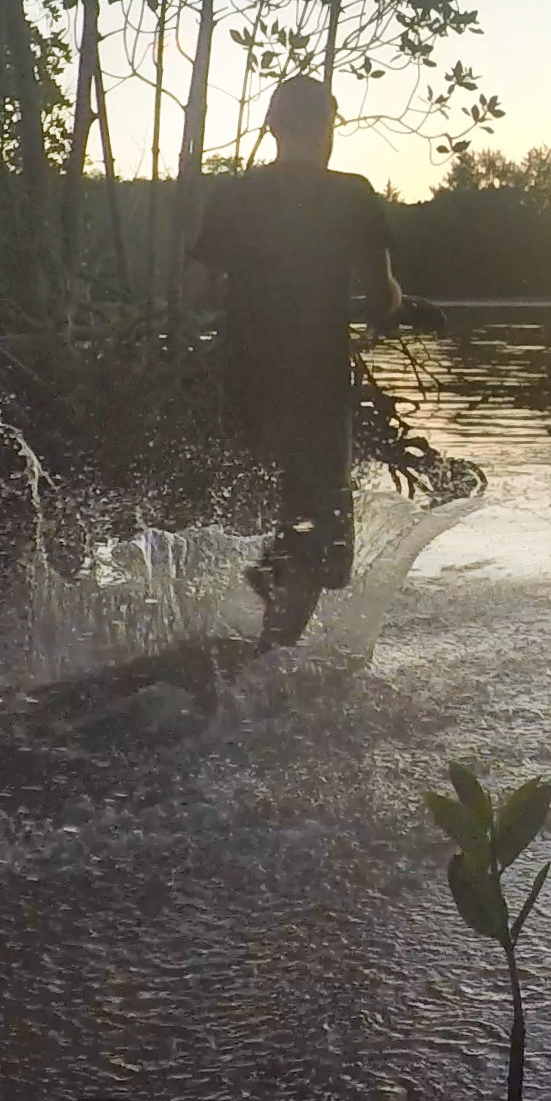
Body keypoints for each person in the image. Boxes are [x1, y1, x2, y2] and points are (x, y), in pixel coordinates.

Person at [183, 77, 409, 676]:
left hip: (244, 375)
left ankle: (269, 582)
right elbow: (380, 297)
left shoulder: (233, 195)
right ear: (328, 128)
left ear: (273, 127)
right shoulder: (352, 195)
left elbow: (198, 290)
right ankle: (268, 663)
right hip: (316, 380)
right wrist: (396, 302)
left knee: (292, 510)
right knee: (323, 533)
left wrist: (249, 288)